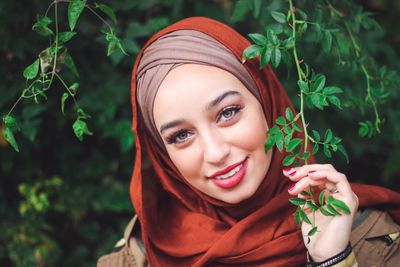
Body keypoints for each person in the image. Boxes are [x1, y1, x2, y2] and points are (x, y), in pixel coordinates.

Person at [97, 17, 400, 267]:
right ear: (164, 156)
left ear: (268, 104)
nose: (216, 152)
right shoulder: (134, 260)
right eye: (181, 136)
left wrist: (334, 259)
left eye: (228, 113)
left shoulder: (377, 243)